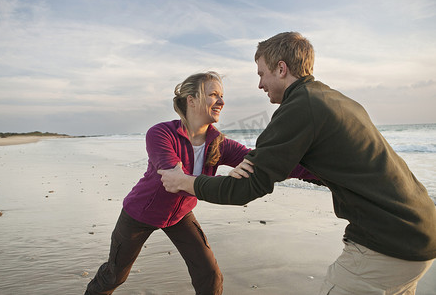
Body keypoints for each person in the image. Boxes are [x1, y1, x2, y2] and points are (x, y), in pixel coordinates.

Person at [157, 33, 436, 294]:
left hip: (388, 244)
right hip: (422, 229)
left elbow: (244, 189)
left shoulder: (299, 108)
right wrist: (267, 165)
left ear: (281, 69)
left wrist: (186, 182)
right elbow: (326, 167)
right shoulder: (336, 100)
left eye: (262, 74)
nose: (260, 84)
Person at [85, 71, 317, 295]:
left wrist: (321, 174)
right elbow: (172, 180)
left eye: (222, 95)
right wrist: (225, 181)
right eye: (214, 95)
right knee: (115, 275)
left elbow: (265, 164)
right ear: (192, 100)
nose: (222, 101)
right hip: (139, 214)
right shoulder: (160, 134)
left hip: (180, 215)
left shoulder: (219, 143)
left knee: (209, 275)